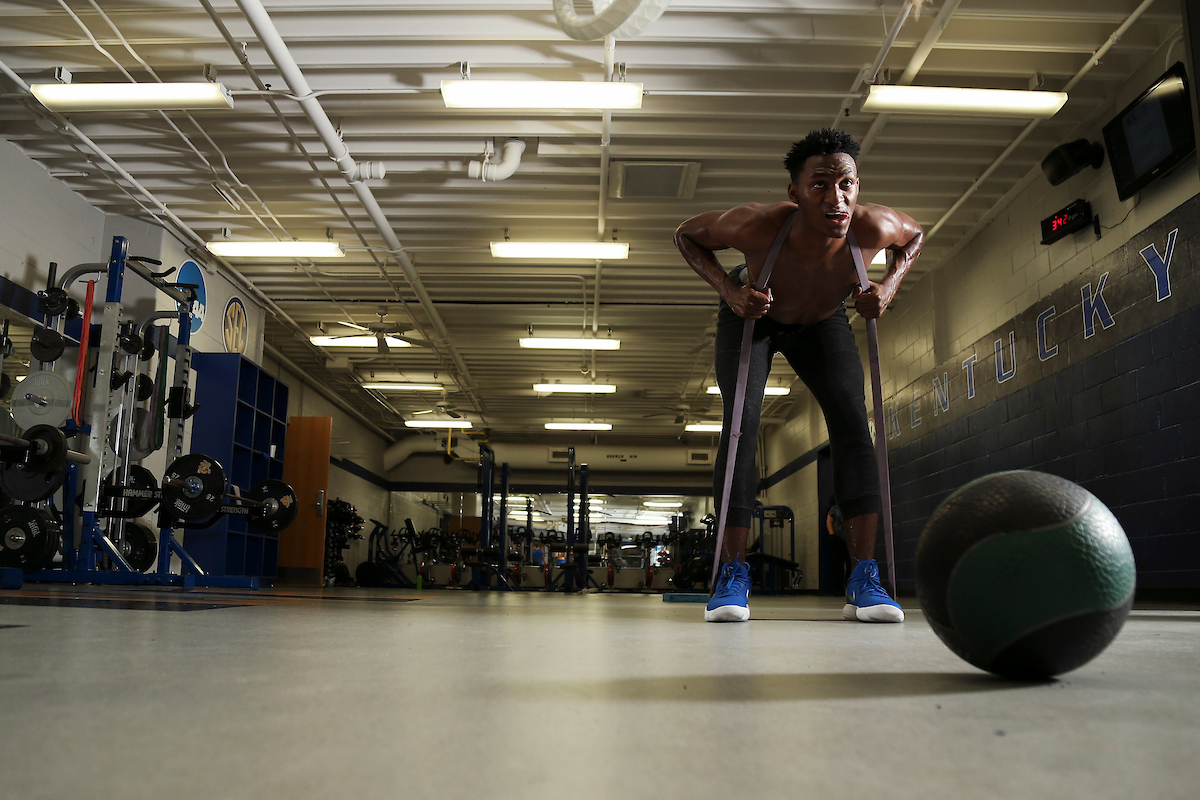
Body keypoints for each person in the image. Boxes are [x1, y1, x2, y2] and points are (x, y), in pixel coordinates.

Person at [674, 128, 923, 624]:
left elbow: (914, 238)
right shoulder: (757, 226)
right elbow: (686, 235)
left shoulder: (873, 227)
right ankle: (732, 574)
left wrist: (889, 286)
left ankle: (864, 575)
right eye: (820, 185)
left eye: (846, 184)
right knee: (741, 424)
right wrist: (729, 290)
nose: (837, 198)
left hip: (822, 321)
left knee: (853, 423)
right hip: (754, 314)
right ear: (795, 193)